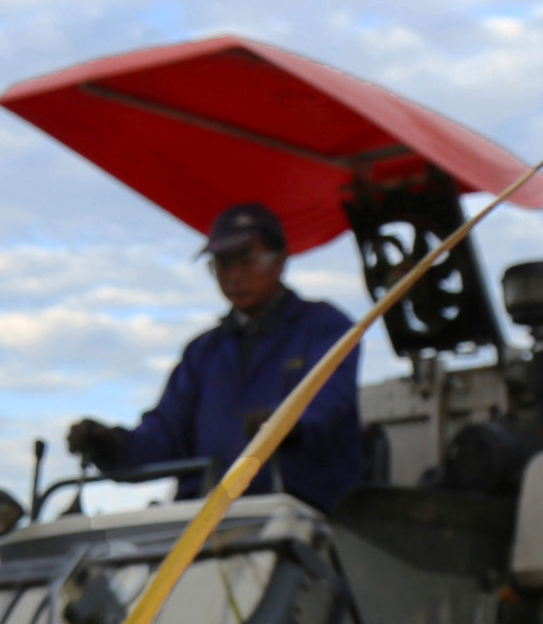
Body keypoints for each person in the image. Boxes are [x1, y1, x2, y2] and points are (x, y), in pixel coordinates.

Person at [66, 201, 368, 513]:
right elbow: (166, 435)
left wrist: (284, 425)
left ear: (280, 259)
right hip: (207, 523)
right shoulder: (203, 352)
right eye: (222, 263)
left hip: (303, 516)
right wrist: (110, 445)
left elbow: (326, 402)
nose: (234, 276)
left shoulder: (324, 327)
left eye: (245, 260)